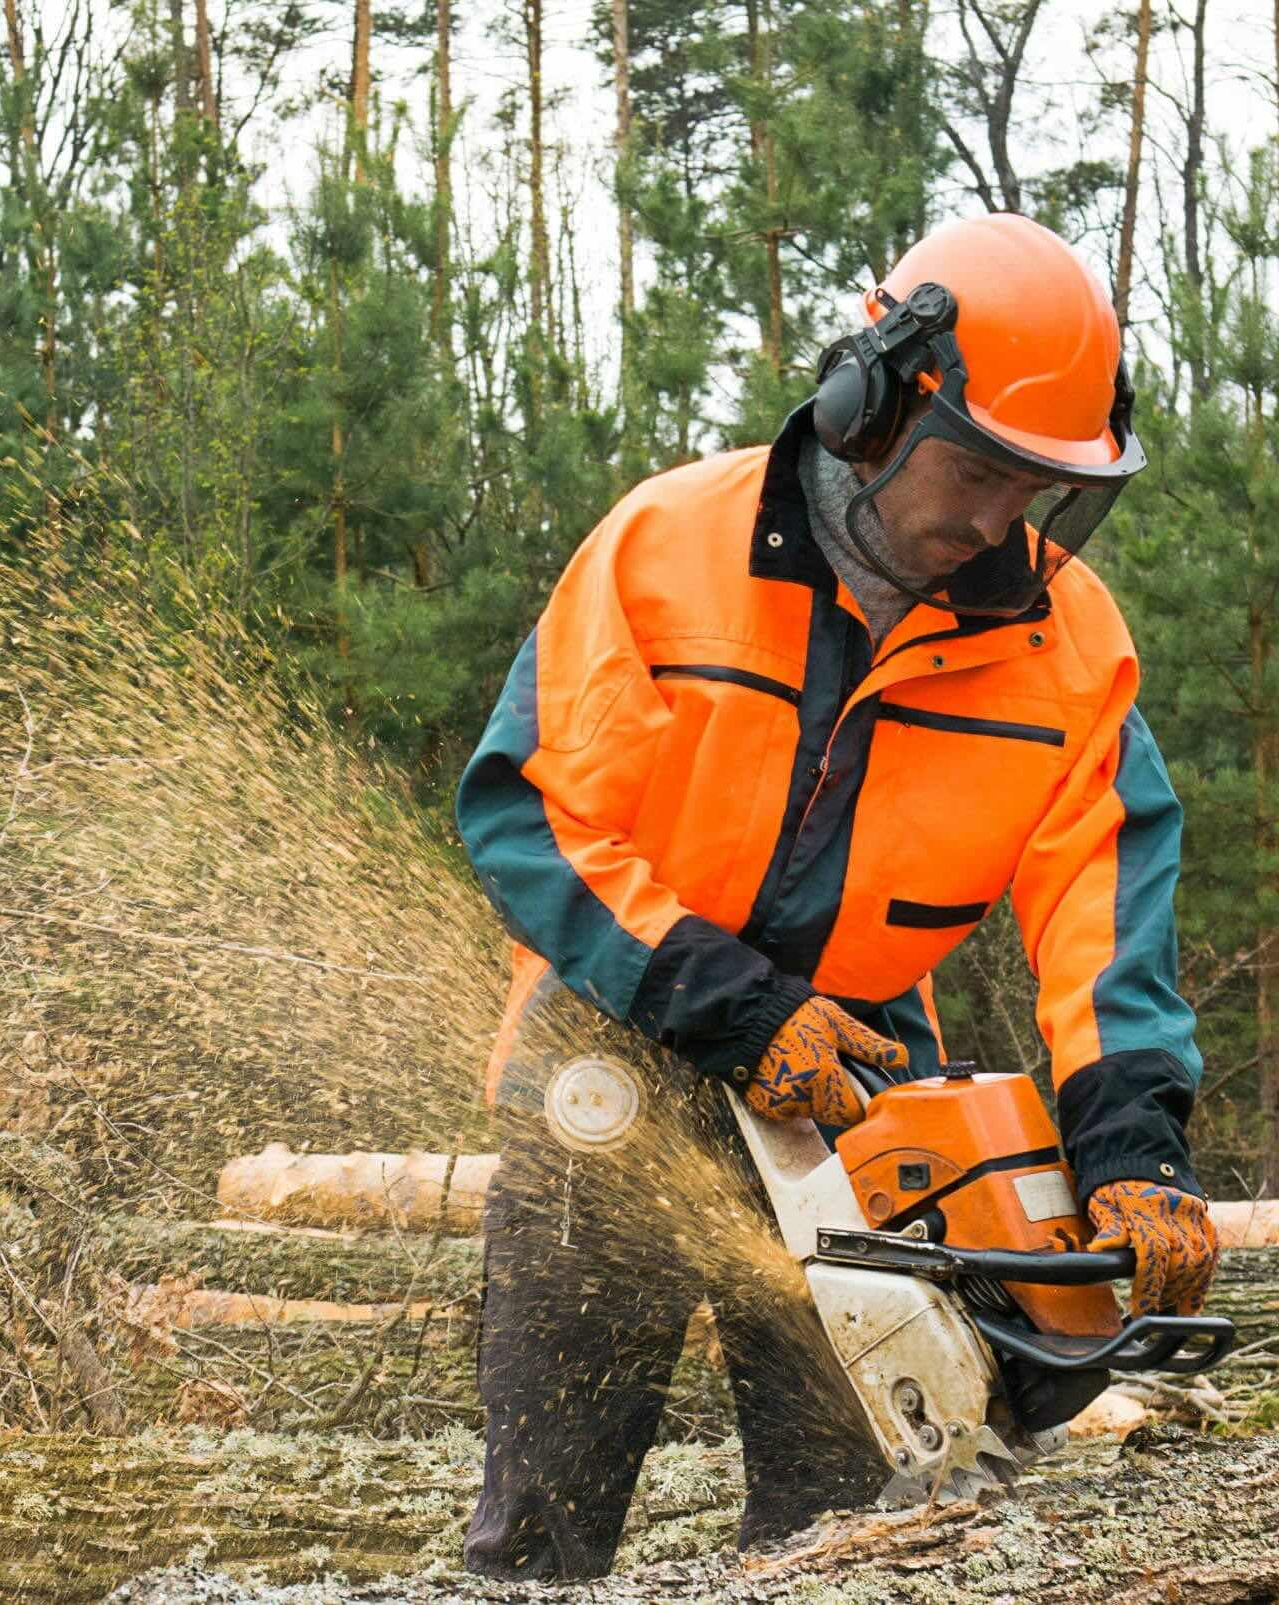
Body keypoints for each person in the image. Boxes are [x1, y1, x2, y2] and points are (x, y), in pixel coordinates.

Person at [454, 212, 1223, 1579]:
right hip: (618, 1044)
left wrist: (1134, 1148)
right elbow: (530, 814)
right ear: (876, 400)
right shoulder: (666, 548)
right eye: (978, 470)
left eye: (1033, 488)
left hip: (861, 1083)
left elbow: (1105, 918)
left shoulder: (1063, 646)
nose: (994, 520)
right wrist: (734, 1007)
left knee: (853, 1529)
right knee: (544, 1530)